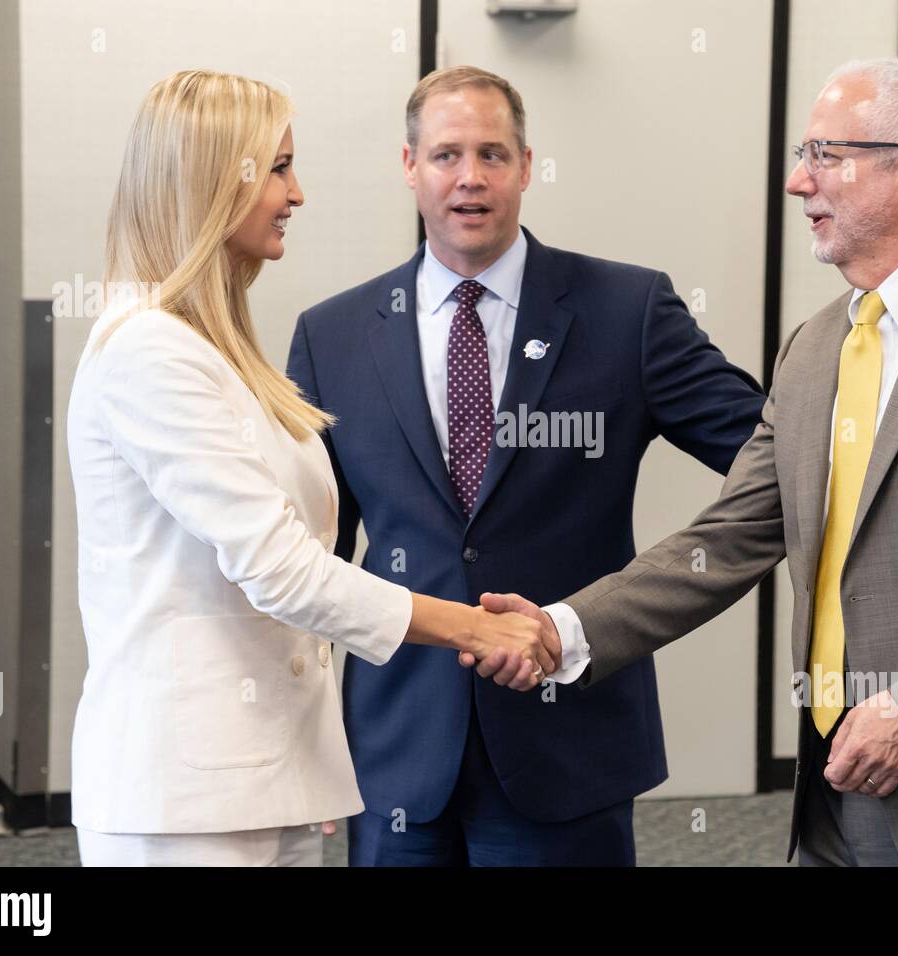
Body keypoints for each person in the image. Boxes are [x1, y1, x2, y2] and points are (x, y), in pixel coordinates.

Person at [477, 56, 898, 867]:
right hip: (840, 798)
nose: (799, 183)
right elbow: (729, 537)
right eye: (804, 156)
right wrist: (565, 628)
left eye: (825, 156)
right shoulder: (812, 347)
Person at [66, 70, 551, 867]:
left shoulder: (216, 348)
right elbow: (282, 570)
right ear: (216, 181)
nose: (298, 193)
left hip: (263, 777)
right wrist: (472, 624)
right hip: (185, 797)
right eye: (280, 168)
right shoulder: (149, 350)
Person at [287, 65, 765, 866]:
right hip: (396, 747)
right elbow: (310, 556)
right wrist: (302, 742)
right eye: (445, 156)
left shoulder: (627, 311)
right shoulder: (332, 336)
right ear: (410, 168)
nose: (469, 178)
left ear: (526, 166)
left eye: (492, 154)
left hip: (567, 740)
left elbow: (767, 456)